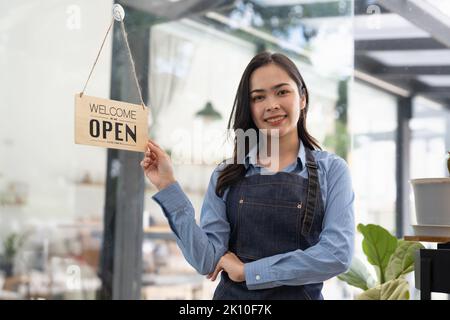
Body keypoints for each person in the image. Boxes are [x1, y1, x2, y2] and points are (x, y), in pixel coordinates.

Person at [140, 52, 355, 300]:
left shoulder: (333, 171)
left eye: (282, 92)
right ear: (250, 108)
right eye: (258, 97)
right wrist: (168, 185)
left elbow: (337, 255)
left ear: (303, 98)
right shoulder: (226, 174)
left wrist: (249, 272)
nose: (271, 104)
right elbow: (207, 260)